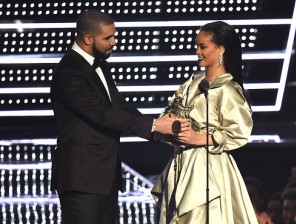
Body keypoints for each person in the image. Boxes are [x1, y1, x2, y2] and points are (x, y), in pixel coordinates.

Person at [50, 10, 189, 224]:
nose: (114, 42)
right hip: (82, 179)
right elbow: (101, 114)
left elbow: (119, 107)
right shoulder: (68, 72)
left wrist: (156, 132)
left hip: (104, 177)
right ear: (88, 39)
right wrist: (154, 125)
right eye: (108, 38)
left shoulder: (98, 66)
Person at [151, 21, 258, 223]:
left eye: (203, 47)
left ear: (221, 49)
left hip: (209, 168)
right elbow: (169, 115)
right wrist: (171, 132)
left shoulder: (228, 90)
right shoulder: (190, 84)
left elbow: (240, 133)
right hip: (180, 164)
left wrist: (198, 138)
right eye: (197, 46)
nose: (197, 52)